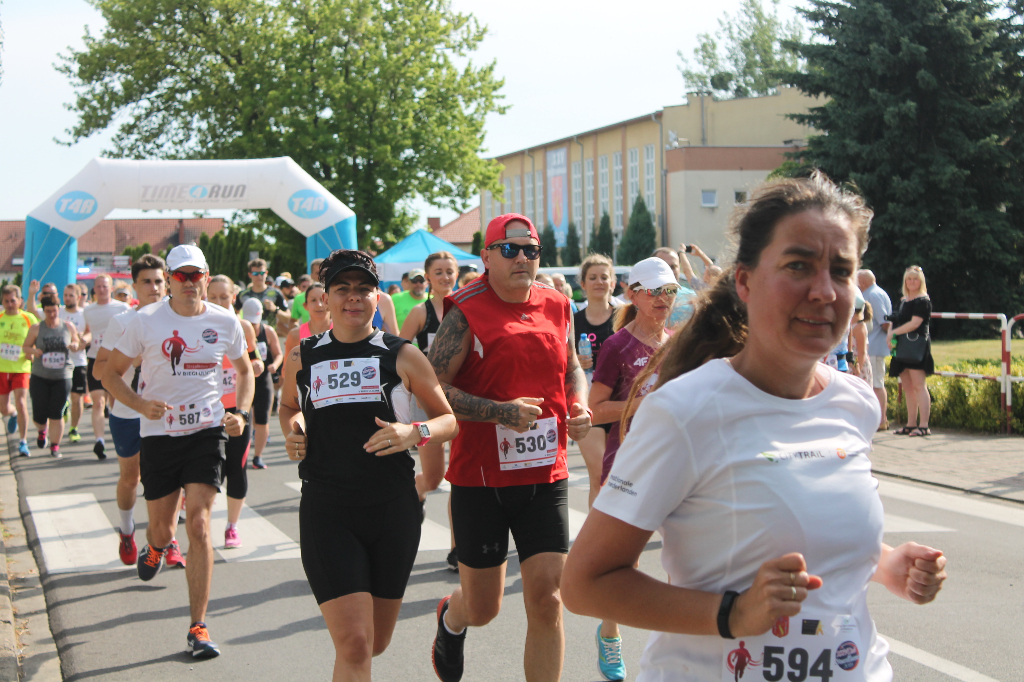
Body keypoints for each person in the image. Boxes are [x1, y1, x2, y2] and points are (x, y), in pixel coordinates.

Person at [561, 173, 948, 682]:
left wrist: (886, 563)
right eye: (798, 266)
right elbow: (586, 584)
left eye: (841, 270)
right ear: (744, 281)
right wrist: (731, 615)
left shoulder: (854, 403)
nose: (824, 290)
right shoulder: (684, 410)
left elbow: (805, 520)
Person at [278, 249, 457, 682]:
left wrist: (414, 433)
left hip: (392, 509)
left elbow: (447, 420)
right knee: (356, 644)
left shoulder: (403, 355)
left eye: (364, 289)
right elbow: (288, 407)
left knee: (375, 642)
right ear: (324, 296)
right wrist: (294, 428)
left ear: (379, 298)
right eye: (343, 289)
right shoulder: (302, 356)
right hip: (328, 509)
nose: (353, 298)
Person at [428, 213, 592, 682]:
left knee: (548, 599)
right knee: (483, 608)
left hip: (547, 474)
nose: (523, 258)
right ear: (486, 256)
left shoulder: (558, 304)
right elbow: (433, 390)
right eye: (510, 249)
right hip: (482, 479)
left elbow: (573, 367)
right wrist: (500, 412)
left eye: (531, 250)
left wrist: (577, 405)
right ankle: (451, 618)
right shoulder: (464, 311)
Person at [104, 244, 253, 659]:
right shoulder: (145, 321)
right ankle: (154, 546)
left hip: (206, 430)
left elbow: (244, 371)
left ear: (207, 278)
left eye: (196, 275)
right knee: (164, 530)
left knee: (200, 524)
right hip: (158, 433)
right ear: (169, 279)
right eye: (181, 276)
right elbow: (109, 374)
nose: (189, 283)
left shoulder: (226, 321)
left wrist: (238, 412)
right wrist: (138, 405)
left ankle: (198, 627)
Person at [584, 256, 677, 680]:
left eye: (670, 291)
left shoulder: (676, 343)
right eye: (655, 292)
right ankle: (610, 634)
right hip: (626, 463)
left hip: (673, 463)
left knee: (687, 550)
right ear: (633, 294)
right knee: (626, 563)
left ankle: (683, 635)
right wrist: (643, 405)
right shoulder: (617, 346)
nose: (663, 300)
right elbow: (597, 409)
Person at [94, 255, 186, 569]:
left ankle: (169, 540)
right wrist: (133, 362)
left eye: (159, 281)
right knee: (131, 478)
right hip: (128, 413)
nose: (154, 287)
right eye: (146, 281)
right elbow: (98, 370)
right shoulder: (122, 322)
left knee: (169, 479)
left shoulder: (181, 320)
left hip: (167, 414)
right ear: (135, 285)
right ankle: (127, 530)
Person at [399, 251, 458, 565]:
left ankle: (456, 547)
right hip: (426, 403)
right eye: (439, 272)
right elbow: (395, 355)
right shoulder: (421, 312)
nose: (446, 277)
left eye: (450, 271)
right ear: (428, 277)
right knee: (434, 478)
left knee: (460, 477)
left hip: (462, 402)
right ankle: (414, 493)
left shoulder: (468, 309)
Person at [206, 275, 263, 549]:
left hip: (237, 408)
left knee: (237, 467)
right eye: (213, 297)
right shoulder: (198, 326)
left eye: (224, 297)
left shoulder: (242, 326)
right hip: (207, 408)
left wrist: (259, 365)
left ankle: (232, 526)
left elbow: (253, 360)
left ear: (233, 298)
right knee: (206, 468)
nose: (218, 302)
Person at [572, 254, 618, 502]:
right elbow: (561, 362)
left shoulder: (624, 317)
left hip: (621, 402)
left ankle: (619, 537)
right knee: (601, 475)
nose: (599, 281)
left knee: (622, 478)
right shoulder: (573, 321)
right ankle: (597, 540)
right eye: (593, 277)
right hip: (587, 404)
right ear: (583, 283)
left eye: (604, 277)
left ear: (613, 282)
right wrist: (576, 362)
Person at [22, 295, 80, 457]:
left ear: (58, 309)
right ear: (44, 311)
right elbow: (25, 347)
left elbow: (76, 342)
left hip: (62, 376)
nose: (52, 315)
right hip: (40, 375)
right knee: (39, 414)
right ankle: (42, 430)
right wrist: (34, 351)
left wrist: (74, 345)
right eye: (48, 311)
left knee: (56, 412)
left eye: (54, 311)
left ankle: (55, 445)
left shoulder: (67, 327)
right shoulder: (36, 328)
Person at [82, 273, 130, 459]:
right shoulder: (88, 310)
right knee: (98, 402)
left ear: (111, 289)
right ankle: (99, 440)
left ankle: (118, 436)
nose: (101, 290)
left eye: (105, 286)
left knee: (114, 402)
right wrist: (82, 341)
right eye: (98, 286)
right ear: (94, 289)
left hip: (117, 359)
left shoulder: (122, 308)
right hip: (95, 359)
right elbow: (88, 333)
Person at [888, 265, 933, 437]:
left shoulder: (923, 301)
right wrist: (890, 337)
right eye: (909, 278)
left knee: (919, 385)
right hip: (901, 346)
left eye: (915, 279)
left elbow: (915, 323)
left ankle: (924, 425)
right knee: (907, 387)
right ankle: (911, 423)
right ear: (905, 281)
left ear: (920, 281)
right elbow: (896, 320)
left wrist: (893, 332)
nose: (912, 282)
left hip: (916, 346)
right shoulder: (902, 300)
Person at [240, 297, 282, 469]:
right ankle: (240, 455)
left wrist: (274, 365)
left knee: (262, 419)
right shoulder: (238, 329)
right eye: (250, 323)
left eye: (255, 323)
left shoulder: (268, 331)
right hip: (243, 380)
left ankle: (258, 456)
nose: (253, 327)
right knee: (244, 418)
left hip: (263, 380)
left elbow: (279, 353)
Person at [0, 286, 39, 456]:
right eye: (6, 301)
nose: (9, 304)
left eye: (12, 300)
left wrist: (32, 352)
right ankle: (13, 414)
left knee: (21, 401)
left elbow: (37, 340)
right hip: (2, 368)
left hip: (21, 367)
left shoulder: (28, 318)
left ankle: (23, 442)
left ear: (20, 301)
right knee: (3, 408)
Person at [858, 269, 893, 429]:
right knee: (876, 383)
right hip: (874, 346)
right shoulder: (877, 292)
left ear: (863, 282)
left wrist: (890, 336)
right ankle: (880, 419)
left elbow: (884, 321)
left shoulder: (872, 295)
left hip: (875, 346)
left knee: (877, 384)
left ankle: (881, 420)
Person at [59, 284, 88, 443]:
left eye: (71, 295)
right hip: (60, 362)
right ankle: (65, 410)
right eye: (65, 295)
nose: (68, 298)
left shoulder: (84, 314)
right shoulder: (58, 312)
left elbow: (90, 333)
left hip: (78, 361)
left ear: (78, 297)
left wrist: (83, 340)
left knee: (77, 397)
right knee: (63, 396)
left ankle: (74, 428)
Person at [651, 247, 696, 327]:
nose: (670, 271)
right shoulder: (643, 298)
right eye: (664, 267)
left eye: (673, 267)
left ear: (679, 268)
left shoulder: (693, 298)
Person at [237, 258, 288, 329]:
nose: (259, 276)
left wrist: (275, 309)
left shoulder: (276, 293)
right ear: (249, 275)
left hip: (269, 334)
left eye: (262, 273)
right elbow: (235, 313)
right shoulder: (243, 295)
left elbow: (288, 319)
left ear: (266, 273)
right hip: (248, 334)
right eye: (255, 273)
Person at [285, 283, 331, 355]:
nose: (319, 305)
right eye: (313, 300)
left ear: (330, 302)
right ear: (305, 305)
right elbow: (287, 366)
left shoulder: (343, 331)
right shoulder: (294, 335)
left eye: (322, 299)